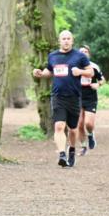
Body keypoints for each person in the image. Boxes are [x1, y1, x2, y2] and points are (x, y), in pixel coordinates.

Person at [33, 30, 93, 168]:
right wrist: (41, 73)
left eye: (68, 38)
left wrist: (81, 72)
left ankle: (71, 149)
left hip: (74, 97)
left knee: (73, 129)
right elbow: (50, 70)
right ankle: (61, 154)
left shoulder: (79, 56)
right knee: (59, 126)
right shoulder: (53, 56)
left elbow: (90, 72)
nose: (66, 41)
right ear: (59, 41)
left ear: (72, 41)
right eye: (63, 38)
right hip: (58, 96)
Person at [77, 45, 104, 155]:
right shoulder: (74, 66)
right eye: (81, 51)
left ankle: (90, 134)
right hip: (77, 97)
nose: (83, 53)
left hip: (90, 98)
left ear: (89, 54)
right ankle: (83, 146)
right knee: (79, 124)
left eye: (86, 51)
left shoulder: (93, 67)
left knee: (88, 123)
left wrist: (98, 84)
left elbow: (102, 80)